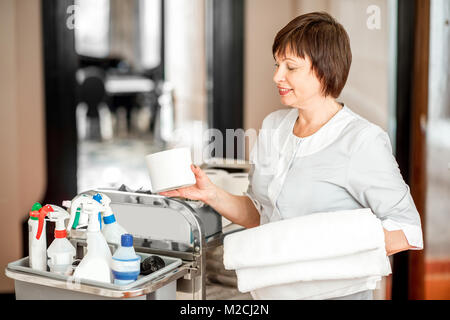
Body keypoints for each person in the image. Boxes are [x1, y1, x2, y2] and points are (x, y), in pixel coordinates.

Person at [160, 12, 423, 300]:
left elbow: (406, 230)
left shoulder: (362, 141)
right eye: (277, 64)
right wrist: (212, 194)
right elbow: (264, 216)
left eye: (291, 67)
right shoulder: (274, 126)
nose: (277, 76)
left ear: (325, 70)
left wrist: (312, 247)